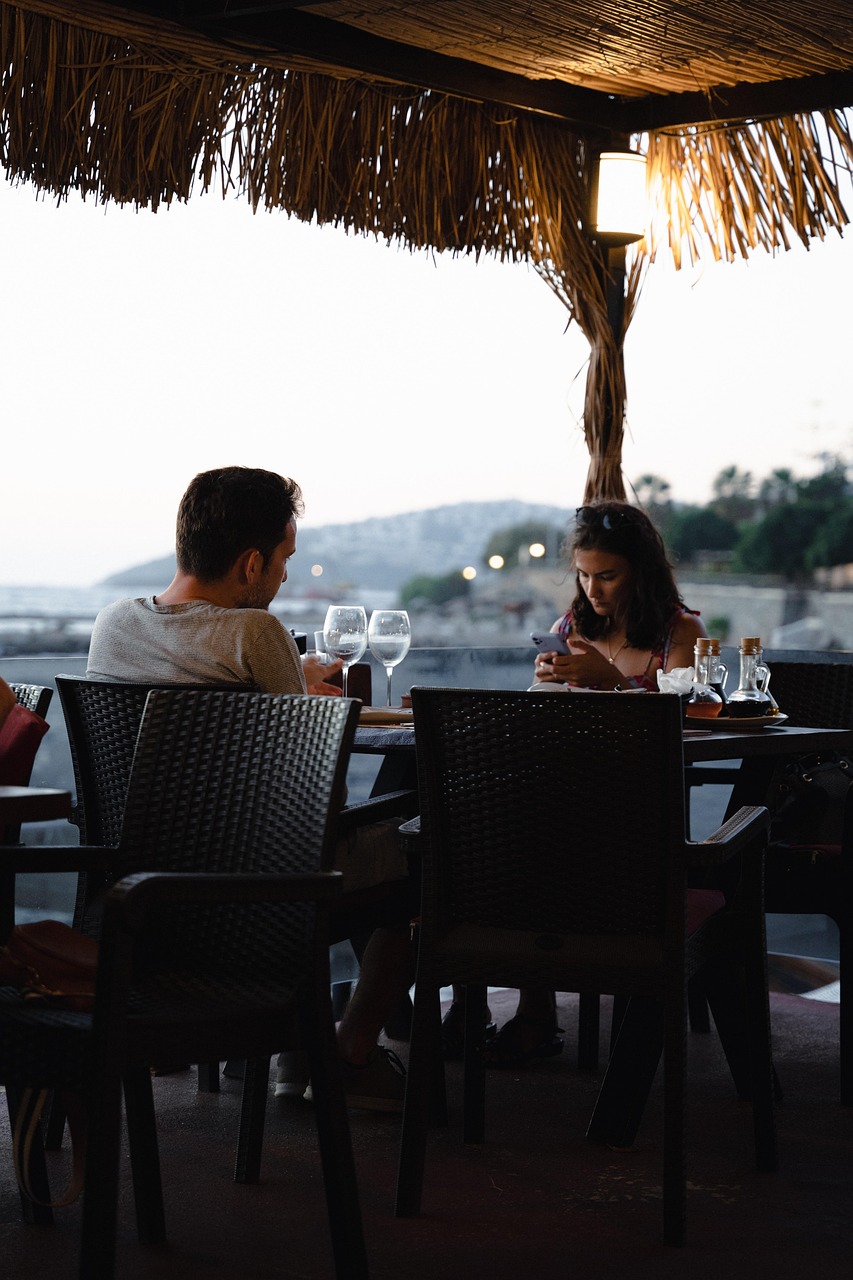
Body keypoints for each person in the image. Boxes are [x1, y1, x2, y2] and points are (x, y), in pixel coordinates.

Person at [87, 466, 415, 1111]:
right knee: (423, 855)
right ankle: (346, 1053)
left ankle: (281, 1042)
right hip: (254, 895)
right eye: (284, 560)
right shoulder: (256, 631)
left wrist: (291, 677)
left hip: (138, 886)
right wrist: (303, 689)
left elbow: (191, 671)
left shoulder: (114, 622)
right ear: (249, 563)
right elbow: (303, 781)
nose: (286, 576)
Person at [447, 499, 706, 1069]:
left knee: (519, 839)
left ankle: (521, 1012)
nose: (593, 590)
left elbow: (683, 722)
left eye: (608, 576)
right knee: (491, 830)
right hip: (564, 802)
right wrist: (548, 681)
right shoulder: (571, 630)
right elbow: (539, 724)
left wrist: (614, 686)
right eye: (585, 575)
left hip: (638, 816)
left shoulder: (679, 632)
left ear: (641, 571)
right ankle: (497, 1002)